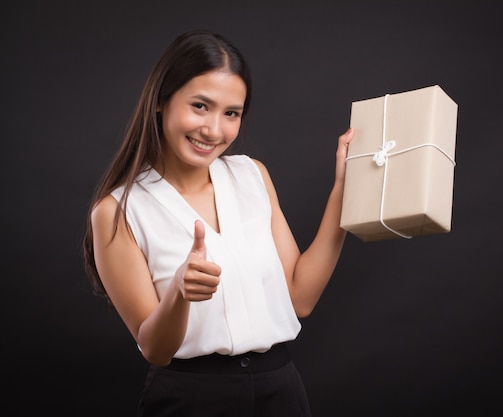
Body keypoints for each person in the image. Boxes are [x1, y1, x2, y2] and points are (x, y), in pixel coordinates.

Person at [82, 29, 353, 417]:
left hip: (281, 391)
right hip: (191, 399)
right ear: (161, 101)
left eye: (231, 114)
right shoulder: (117, 211)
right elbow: (154, 349)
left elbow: (300, 297)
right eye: (200, 106)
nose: (213, 130)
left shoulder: (252, 176)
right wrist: (178, 290)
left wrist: (343, 193)